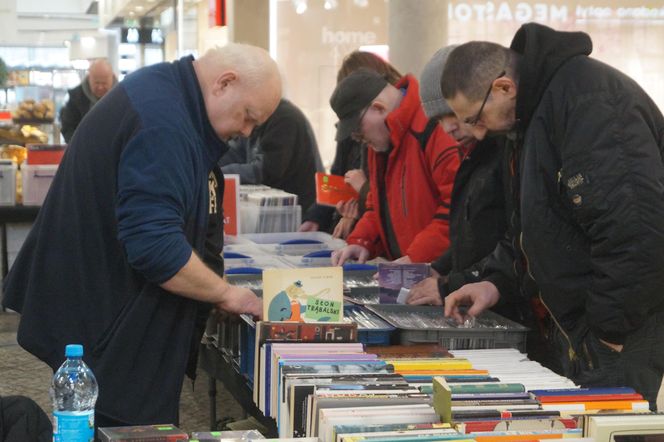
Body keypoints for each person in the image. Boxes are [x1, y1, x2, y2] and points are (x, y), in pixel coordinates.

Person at [2, 43, 281, 427]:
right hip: (110, 331)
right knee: (125, 429)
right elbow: (155, 246)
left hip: (110, 317)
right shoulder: (162, 123)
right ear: (224, 83)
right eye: (247, 116)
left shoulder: (167, 96)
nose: (245, 131)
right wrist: (224, 293)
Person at [440, 23, 664, 409]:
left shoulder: (587, 103)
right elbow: (532, 226)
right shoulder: (532, 115)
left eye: (475, 119)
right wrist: (495, 283)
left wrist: (607, 330)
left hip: (619, 329)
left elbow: (635, 232)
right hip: (587, 328)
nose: (476, 135)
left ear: (504, 88)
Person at [406, 45, 526, 324]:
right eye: (438, 120)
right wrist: (441, 268)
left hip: (507, 307)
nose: (449, 128)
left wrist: (451, 283)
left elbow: (512, 239)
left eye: (453, 114)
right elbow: (470, 234)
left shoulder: (505, 152)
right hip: (483, 301)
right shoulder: (475, 155)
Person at [329, 68, 460, 265]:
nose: (359, 139)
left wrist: (415, 258)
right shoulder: (382, 138)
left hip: (439, 271)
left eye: (358, 130)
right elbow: (377, 203)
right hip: (409, 268)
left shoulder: (434, 128)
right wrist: (362, 241)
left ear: (379, 108)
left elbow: (455, 209)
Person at [300, 51, 402, 238]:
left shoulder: (390, 134)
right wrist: (315, 217)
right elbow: (337, 177)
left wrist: (362, 193)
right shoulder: (355, 129)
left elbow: (394, 200)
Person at [220, 98, 323, 212]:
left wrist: (219, 173)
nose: (246, 131)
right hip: (271, 205)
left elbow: (266, 170)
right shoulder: (257, 114)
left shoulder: (285, 118)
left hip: (299, 210)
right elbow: (235, 153)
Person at [60, 58, 117, 143]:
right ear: (89, 78)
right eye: (96, 82)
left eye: (104, 83)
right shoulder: (75, 97)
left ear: (112, 78)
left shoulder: (123, 98)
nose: (100, 87)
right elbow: (68, 128)